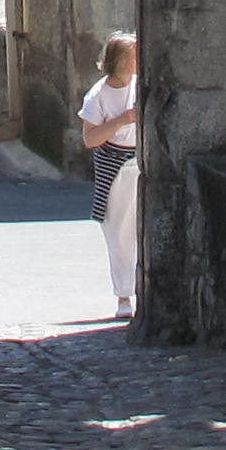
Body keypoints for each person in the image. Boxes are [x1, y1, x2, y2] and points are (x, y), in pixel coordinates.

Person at [72, 32, 143, 318]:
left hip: (142, 158)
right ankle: (124, 295)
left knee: (142, 227)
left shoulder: (142, 85)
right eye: (134, 54)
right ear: (120, 61)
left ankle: (144, 291)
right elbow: (90, 139)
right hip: (114, 165)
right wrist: (122, 120)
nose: (139, 59)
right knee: (118, 231)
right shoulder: (98, 95)